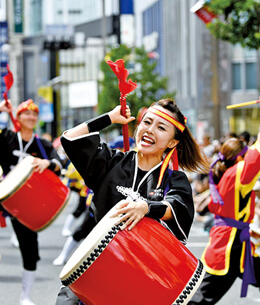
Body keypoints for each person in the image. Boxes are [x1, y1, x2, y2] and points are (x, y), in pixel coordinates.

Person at [55, 98, 209, 304]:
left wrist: (147, 207)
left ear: (172, 142)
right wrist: (109, 117)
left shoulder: (173, 179)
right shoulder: (111, 163)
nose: (150, 130)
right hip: (96, 268)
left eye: (161, 127)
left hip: (139, 275)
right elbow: (70, 139)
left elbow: (177, 207)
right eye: (147, 122)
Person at [0, 98, 63, 305]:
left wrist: (47, 162)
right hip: (3, 197)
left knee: (30, 250)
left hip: (26, 203)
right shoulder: (7, 138)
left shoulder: (41, 144)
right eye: (26, 113)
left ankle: (25, 297)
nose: (31, 117)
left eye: (34, 114)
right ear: (17, 117)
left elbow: (59, 162)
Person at [188, 132, 260, 304]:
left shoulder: (227, 175)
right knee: (199, 300)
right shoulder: (237, 174)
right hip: (229, 247)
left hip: (237, 244)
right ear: (238, 159)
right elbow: (255, 157)